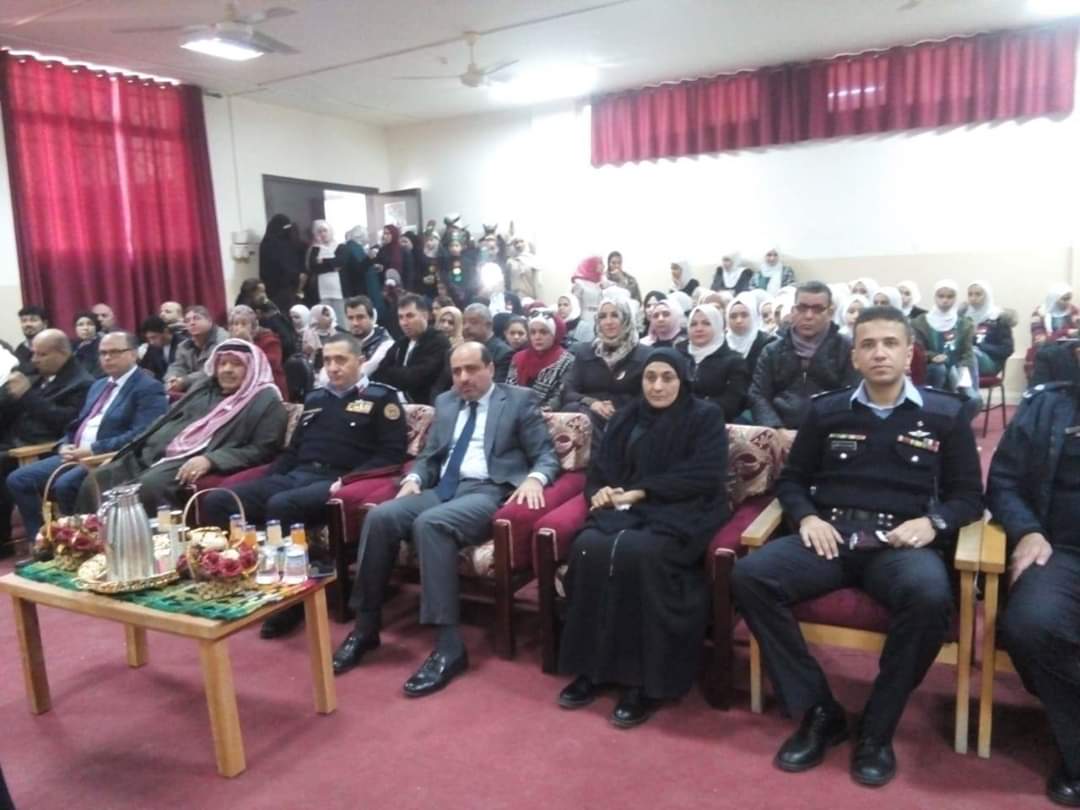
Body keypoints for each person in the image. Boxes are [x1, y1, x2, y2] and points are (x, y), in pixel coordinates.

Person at [732, 305, 984, 787]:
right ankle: (819, 711)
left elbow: (969, 497)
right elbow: (793, 481)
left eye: (890, 343)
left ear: (908, 353)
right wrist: (807, 517)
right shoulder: (827, 410)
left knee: (931, 596)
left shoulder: (946, 413)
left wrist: (933, 522)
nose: (879, 353)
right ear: (855, 356)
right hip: (831, 538)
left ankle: (876, 727)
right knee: (751, 575)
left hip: (900, 546)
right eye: (868, 344)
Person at [332, 342, 560, 695]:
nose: (463, 378)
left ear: (491, 369)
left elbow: (546, 454)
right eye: (456, 371)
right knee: (380, 517)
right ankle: (365, 627)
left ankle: (449, 646)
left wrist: (535, 478)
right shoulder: (446, 402)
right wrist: (414, 478)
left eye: (472, 369)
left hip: (487, 491)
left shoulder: (518, 400)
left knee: (431, 524)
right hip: (442, 488)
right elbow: (430, 456)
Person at [557, 347, 728, 726]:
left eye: (667, 378)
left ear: (682, 381)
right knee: (588, 548)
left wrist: (642, 491)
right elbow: (600, 469)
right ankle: (592, 668)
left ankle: (644, 682)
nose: (657, 386)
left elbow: (705, 475)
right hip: (626, 508)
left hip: (682, 509)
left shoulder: (705, 416)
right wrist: (600, 491)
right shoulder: (627, 416)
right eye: (650, 377)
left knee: (639, 555)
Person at [203, 333, 409, 637]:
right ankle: (246, 578)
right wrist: (266, 479)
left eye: (341, 360)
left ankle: (292, 600)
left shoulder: (381, 398)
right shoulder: (315, 399)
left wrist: (348, 481)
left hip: (337, 482)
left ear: (361, 361)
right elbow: (293, 451)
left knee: (282, 505)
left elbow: (391, 456)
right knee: (220, 499)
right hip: (296, 475)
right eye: (328, 361)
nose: (333, 367)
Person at [986, 380, 1080, 806]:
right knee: (1030, 625)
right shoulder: (1046, 406)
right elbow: (1003, 482)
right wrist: (1027, 531)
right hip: (1060, 551)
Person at [80, 340, 288, 513]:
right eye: (222, 363)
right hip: (152, 452)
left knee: (148, 488)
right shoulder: (205, 389)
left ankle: (148, 545)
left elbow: (263, 449)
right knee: (97, 479)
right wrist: (126, 450)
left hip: (190, 459)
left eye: (236, 364)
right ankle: (91, 541)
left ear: (252, 368)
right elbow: (164, 420)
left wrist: (211, 460)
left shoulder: (265, 400)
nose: (227, 370)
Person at [6, 332, 167, 541]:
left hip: (108, 458)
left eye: (115, 352)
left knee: (65, 485)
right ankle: (41, 541)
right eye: (103, 353)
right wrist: (64, 445)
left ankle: (82, 542)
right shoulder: (98, 385)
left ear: (134, 354)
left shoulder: (148, 387)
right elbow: (77, 424)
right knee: (19, 479)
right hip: (75, 453)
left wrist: (93, 450)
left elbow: (143, 433)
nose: (107, 358)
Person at [0, 330, 94, 549]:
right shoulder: (36, 376)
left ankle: (36, 541)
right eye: (33, 353)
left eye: (41, 354)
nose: (34, 359)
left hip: (46, 447)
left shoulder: (81, 383)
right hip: (15, 442)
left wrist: (27, 395)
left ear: (62, 353)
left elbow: (65, 422)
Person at [749, 281, 858, 429]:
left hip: (829, 429)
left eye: (817, 309)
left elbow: (852, 394)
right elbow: (758, 394)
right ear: (793, 311)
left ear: (830, 313)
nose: (808, 316)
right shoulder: (772, 350)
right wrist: (775, 428)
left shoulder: (846, 349)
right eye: (802, 308)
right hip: (780, 430)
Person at [564, 298, 650, 438]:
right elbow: (568, 390)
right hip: (589, 419)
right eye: (602, 317)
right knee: (576, 411)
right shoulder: (585, 352)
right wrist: (592, 403)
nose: (608, 322)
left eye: (615, 315)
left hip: (628, 421)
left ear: (626, 318)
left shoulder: (644, 355)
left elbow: (646, 397)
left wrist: (618, 412)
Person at [911, 280, 979, 419]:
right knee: (939, 369)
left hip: (957, 368)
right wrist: (932, 356)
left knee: (973, 400)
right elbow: (918, 349)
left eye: (950, 296)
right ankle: (934, 414)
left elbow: (967, 352)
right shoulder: (920, 322)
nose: (945, 300)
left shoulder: (964, 323)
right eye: (941, 296)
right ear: (935, 297)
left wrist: (963, 370)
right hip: (931, 368)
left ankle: (960, 424)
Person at [373, 294, 451, 405]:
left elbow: (416, 378)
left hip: (426, 405)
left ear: (425, 316)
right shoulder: (402, 342)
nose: (404, 323)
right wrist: (402, 374)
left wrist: (394, 373)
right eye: (400, 317)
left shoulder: (438, 341)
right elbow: (379, 373)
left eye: (410, 316)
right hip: (397, 404)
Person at [677, 304, 749, 421]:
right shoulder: (679, 355)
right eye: (693, 324)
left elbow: (733, 402)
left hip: (716, 421)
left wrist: (693, 409)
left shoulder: (734, 361)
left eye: (706, 323)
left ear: (717, 326)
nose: (699, 328)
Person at [507, 311, 574, 411]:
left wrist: (543, 410)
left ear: (555, 334)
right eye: (533, 332)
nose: (537, 337)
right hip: (515, 411)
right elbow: (509, 389)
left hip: (547, 414)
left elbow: (561, 395)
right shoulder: (518, 357)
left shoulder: (567, 361)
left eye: (543, 332)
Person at [165, 306, 228, 396]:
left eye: (197, 318)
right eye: (187, 321)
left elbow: (211, 370)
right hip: (193, 390)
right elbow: (177, 366)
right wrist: (172, 378)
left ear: (209, 321)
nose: (192, 323)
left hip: (218, 389)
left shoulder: (223, 341)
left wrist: (184, 381)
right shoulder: (184, 346)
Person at [228, 306, 287, 398]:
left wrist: (249, 343)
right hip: (240, 386)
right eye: (236, 324)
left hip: (269, 387)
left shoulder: (269, 339)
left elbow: (272, 363)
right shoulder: (229, 342)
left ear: (253, 326)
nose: (239, 328)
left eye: (243, 324)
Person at [962, 280, 1014, 377]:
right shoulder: (963, 317)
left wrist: (981, 346)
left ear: (987, 296)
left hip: (990, 361)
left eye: (978, 294)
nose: (973, 298)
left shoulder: (997, 318)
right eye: (970, 294)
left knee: (970, 354)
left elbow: (1007, 349)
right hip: (966, 358)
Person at [726, 291, 776, 382]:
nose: (738, 321)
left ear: (753, 316)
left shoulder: (767, 343)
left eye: (744, 315)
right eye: (733, 316)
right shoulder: (722, 344)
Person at [259, 214, 305, 312]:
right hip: (282, 289)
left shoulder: (268, 243)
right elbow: (287, 266)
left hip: (274, 289)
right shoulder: (278, 244)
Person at [305, 219, 346, 324]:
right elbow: (313, 267)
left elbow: (340, 262)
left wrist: (323, 261)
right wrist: (331, 266)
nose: (323, 234)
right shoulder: (315, 249)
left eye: (325, 230)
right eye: (319, 231)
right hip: (322, 291)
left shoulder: (340, 246)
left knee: (341, 320)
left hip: (339, 290)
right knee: (325, 319)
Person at [462, 304, 513, 383]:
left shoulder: (503, 353)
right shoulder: (461, 350)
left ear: (489, 325)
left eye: (473, 322)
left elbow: (498, 386)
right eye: (464, 322)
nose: (466, 327)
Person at [571, 256, 605, 343]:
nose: (603, 266)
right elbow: (574, 304)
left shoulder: (601, 283)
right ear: (592, 264)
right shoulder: (580, 283)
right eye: (600, 263)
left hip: (600, 318)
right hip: (585, 318)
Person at [13, 305, 48, 374]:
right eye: (24, 321)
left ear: (45, 324)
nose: (28, 324)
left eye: (33, 320)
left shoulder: (53, 345)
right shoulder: (21, 348)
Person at [137, 316, 171, 380]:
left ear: (165, 331)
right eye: (148, 339)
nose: (151, 342)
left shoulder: (182, 345)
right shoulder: (152, 347)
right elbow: (143, 366)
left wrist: (154, 376)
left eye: (154, 337)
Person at [72, 311, 103, 378]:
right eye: (80, 325)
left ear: (96, 327)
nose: (85, 328)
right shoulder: (72, 346)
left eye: (90, 324)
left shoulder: (102, 346)